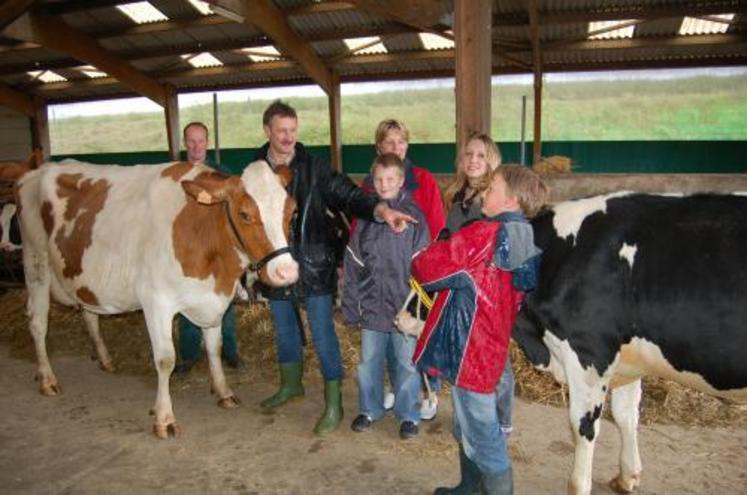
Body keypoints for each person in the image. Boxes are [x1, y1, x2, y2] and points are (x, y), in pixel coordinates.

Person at [254, 100, 415, 435]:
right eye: (281, 131)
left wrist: (380, 209)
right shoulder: (255, 170)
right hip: (274, 262)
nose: (288, 137)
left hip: (313, 262)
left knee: (323, 332)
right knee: (283, 329)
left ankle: (334, 401)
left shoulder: (314, 167)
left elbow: (349, 195)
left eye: (292, 130)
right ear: (267, 130)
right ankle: (290, 385)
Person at [411, 165, 548, 494]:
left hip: (467, 351)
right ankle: (469, 488)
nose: (485, 192)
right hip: (492, 348)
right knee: (467, 425)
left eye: (493, 187)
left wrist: (428, 248)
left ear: (512, 200)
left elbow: (425, 268)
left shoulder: (481, 236)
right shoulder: (525, 238)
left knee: (484, 438)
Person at [342, 153, 430, 440]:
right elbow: (353, 264)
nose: (384, 184)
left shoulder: (415, 219)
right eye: (378, 179)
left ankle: (408, 414)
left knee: (406, 363)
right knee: (369, 362)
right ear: (372, 181)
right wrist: (352, 307)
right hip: (371, 307)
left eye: (390, 179)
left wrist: (419, 311)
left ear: (402, 180)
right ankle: (370, 409)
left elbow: (424, 267)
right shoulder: (367, 220)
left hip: (403, 308)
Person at [363, 119, 446, 421]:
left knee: (419, 330)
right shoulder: (370, 183)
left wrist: (430, 271)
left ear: (407, 146)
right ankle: (398, 385)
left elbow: (436, 226)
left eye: (400, 142)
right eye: (389, 143)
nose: (395, 147)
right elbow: (359, 223)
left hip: (416, 274)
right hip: (382, 273)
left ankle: (428, 389)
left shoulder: (423, 179)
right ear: (379, 148)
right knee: (388, 330)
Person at [443, 132, 514, 436]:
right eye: (469, 154)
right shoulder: (457, 195)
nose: (473, 160)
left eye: (481, 156)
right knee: (464, 352)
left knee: (496, 356)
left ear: (491, 161)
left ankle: (502, 420)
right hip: (461, 288)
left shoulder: (493, 198)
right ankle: (468, 419)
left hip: (488, 290)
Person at [174, 122, 244, 374]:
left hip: (218, 246)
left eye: (200, 141)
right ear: (185, 143)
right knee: (186, 299)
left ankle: (230, 350)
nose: (196, 147)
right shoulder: (177, 174)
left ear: (207, 142)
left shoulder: (221, 173)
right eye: (191, 141)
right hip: (189, 246)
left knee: (222, 298)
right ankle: (189, 354)